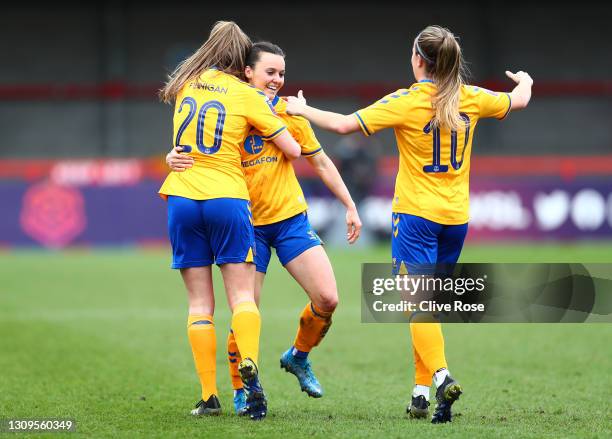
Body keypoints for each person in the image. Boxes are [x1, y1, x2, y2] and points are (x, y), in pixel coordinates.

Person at [285, 25, 533, 423]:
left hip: (416, 217)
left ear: (419, 59)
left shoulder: (408, 100)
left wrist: (302, 110)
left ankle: (441, 376)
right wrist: (526, 81)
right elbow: (518, 100)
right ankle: (420, 394)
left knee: (418, 307)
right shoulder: (472, 98)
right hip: (456, 219)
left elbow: (346, 125)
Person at [167, 41, 362, 415]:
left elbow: (319, 163)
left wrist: (349, 205)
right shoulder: (232, 107)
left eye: (282, 73)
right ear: (248, 72)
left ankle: (298, 356)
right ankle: (242, 389)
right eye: (270, 72)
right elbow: (195, 149)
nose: (277, 79)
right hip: (247, 224)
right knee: (246, 307)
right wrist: (171, 155)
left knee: (328, 298)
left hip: (289, 220)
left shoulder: (290, 112)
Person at [158, 21, 302, 421]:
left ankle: (208, 397)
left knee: (199, 303)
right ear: (242, 61)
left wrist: (171, 157)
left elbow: (181, 143)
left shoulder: (186, 84)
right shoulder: (246, 94)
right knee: (242, 297)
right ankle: (250, 368)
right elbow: (292, 148)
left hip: (183, 194)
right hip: (227, 197)